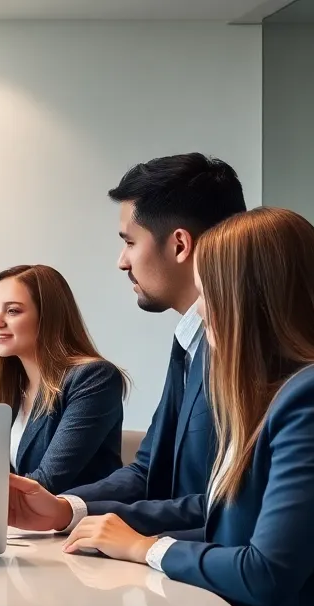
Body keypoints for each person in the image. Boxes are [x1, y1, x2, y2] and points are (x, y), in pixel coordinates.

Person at [0, 208, 314, 606]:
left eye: (209, 293)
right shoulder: (274, 394)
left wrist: (147, 549)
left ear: (250, 299)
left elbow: (265, 571)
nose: (202, 310)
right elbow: (217, 512)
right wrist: (81, 519)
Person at [61, 153, 246, 516]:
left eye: (130, 242)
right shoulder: (189, 341)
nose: (122, 261)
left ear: (179, 245)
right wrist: (65, 507)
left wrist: (135, 537)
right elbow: (149, 470)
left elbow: (229, 503)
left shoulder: (244, 352)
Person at [0, 265, 126, 493]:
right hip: (19, 514)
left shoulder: (94, 377)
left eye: (12, 311)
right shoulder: (13, 387)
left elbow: (46, 483)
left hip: (79, 515)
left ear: (48, 317)